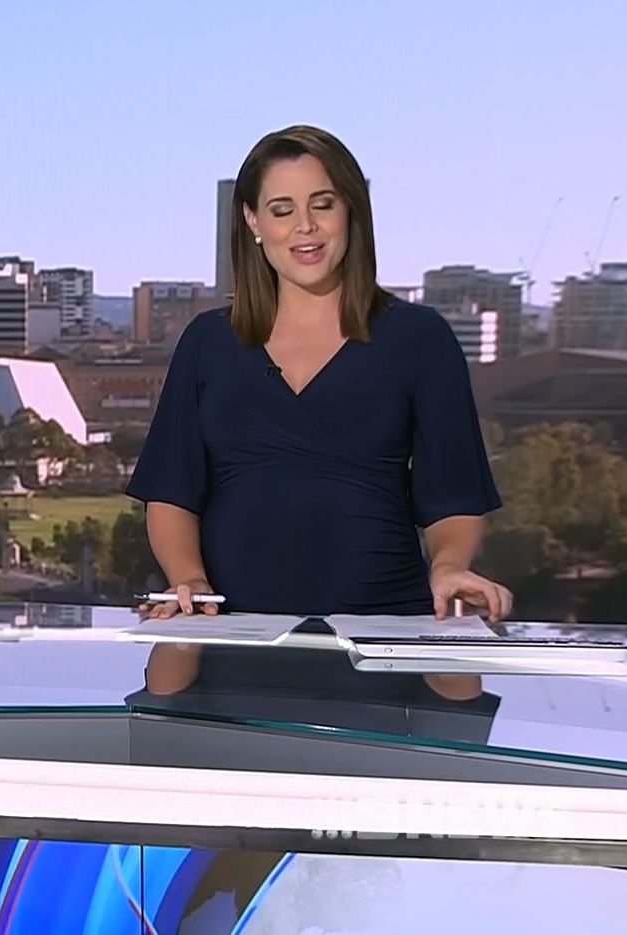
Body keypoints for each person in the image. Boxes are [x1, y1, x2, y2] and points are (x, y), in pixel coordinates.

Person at [126, 125, 509, 700]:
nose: (304, 226)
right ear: (253, 222)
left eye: (322, 205)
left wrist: (449, 566)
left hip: (386, 638)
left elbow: (453, 498)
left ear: (351, 211)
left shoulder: (420, 339)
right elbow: (171, 496)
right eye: (282, 210)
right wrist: (189, 582)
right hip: (231, 634)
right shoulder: (207, 343)